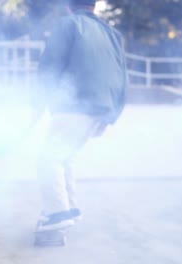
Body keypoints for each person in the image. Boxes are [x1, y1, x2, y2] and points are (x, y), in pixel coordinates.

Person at [34, 0, 127, 232]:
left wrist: (38, 99)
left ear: (69, 6)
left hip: (75, 105)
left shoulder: (68, 24)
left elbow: (50, 65)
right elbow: (122, 75)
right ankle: (71, 208)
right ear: (94, 6)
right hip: (103, 107)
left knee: (48, 158)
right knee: (65, 156)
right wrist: (111, 115)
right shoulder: (112, 33)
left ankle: (58, 214)